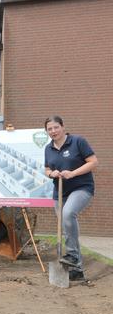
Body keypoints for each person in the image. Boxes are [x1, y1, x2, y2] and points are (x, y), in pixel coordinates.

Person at [44, 115, 98, 281]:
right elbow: (46, 168)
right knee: (66, 225)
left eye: (55, 127)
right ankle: (77, 269)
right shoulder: (48, 148)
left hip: (82, 187)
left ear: (63, 127)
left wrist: (73, 173)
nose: (53, 131)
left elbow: (93, 162)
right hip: (60, 191)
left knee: (68, 214)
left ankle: (73, 255)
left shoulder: (77, 141)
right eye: (49, 129)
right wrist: (51, 173)